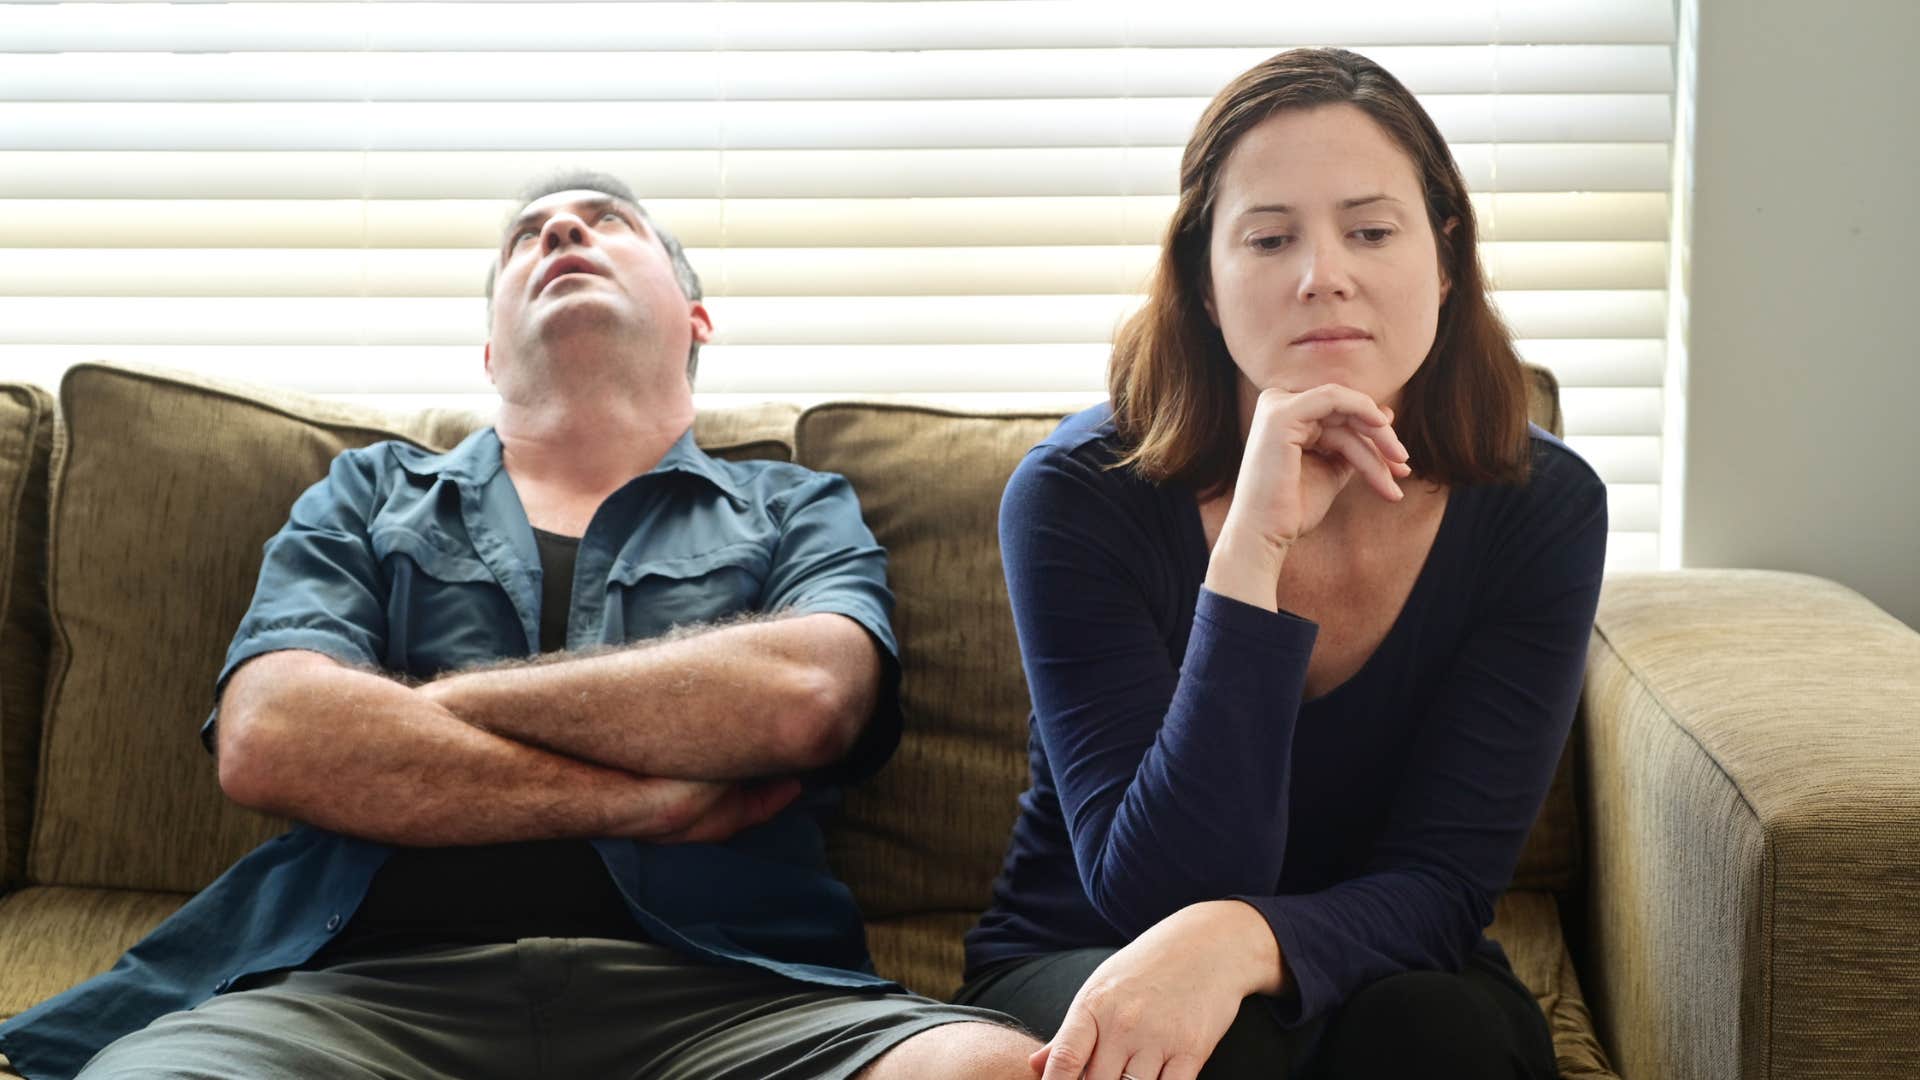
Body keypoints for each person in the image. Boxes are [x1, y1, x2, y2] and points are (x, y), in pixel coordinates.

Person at [0, 171, 1039, 1080]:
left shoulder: (797, 506)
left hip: (738, 994)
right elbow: (274, 736)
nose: (560, 234)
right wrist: (649, 797)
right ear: (491, 349)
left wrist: (410, 717)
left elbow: (804, 699)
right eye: (527, 234)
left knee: (992, 1068)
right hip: (355, 994)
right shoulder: (364, 495)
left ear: (696, 318)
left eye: (606, 221)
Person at [955, 49, 1604, 1080]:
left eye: (1370, 230)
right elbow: (1159, 893)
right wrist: (1252, 552)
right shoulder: (1078, 497)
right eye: (1268, 238)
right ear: (1205, 284)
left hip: (1389, 955)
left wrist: (1243, 942)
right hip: (1097, 954)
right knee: (1226, 1050)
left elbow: (1442, 882)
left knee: (1446, 1038)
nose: (1323, 275)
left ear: (1444, 257)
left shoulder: (1542, 507)